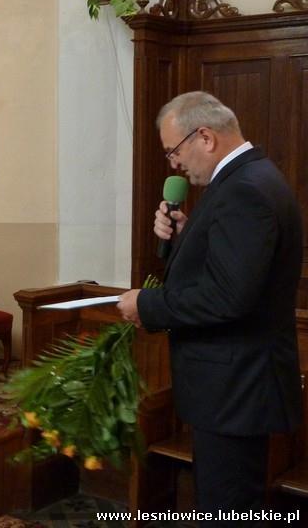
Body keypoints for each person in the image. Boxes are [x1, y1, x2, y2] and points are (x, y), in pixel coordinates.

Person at [116, 91, 303, 522]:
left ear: (205, 137)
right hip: (234, 386)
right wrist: (182, 238)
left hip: (235, 387)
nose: (173, 164)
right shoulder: (251, 179)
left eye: (173, 151)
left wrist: (148, 305)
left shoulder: (244, 191)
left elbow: (227, 297)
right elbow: (234, 271)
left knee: (228, 510)